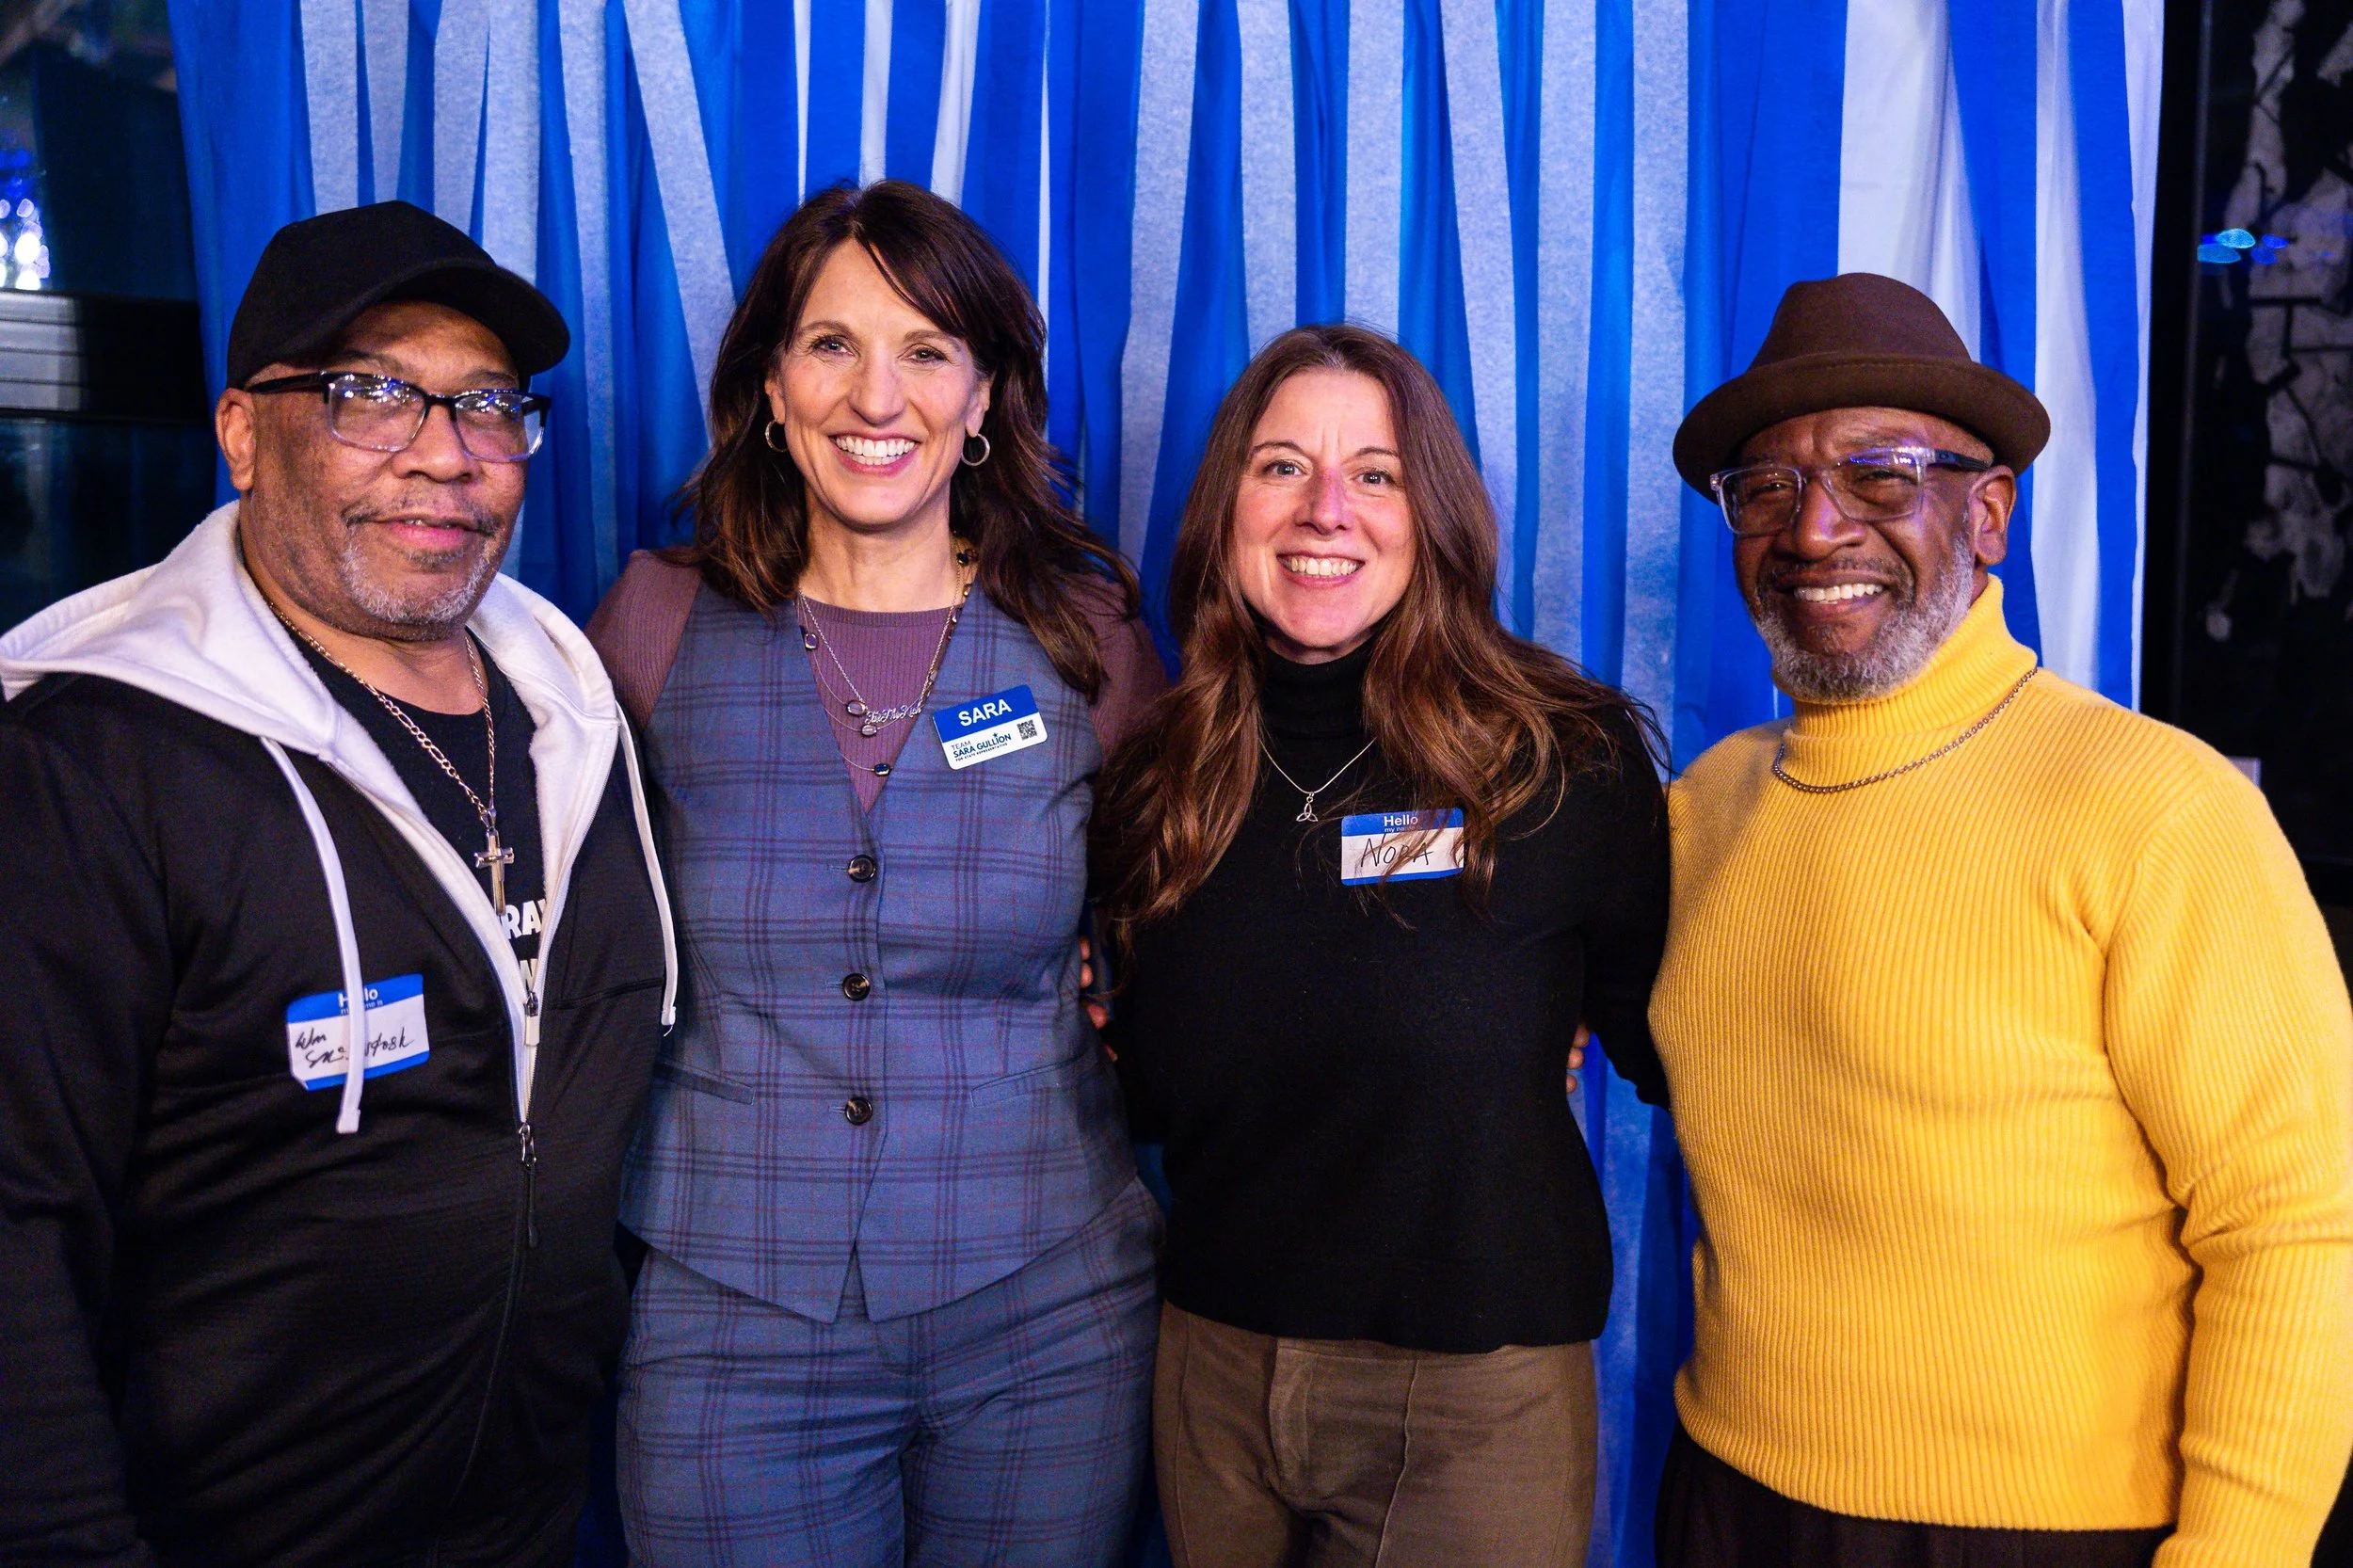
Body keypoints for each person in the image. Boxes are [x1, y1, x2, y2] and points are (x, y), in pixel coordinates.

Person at [0, 200, 675, 1564]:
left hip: (531, 1515)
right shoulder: (89, 762)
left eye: (487, 406)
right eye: (375, 396)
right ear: (244, 432)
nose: (447, 459)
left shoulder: (578, 713)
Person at [1649, 272, 2353, 1567]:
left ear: (1988, 514)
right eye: (1767, 486)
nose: (1815, 528)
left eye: (1881, 474)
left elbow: (2299, 1227)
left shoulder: (2157, 811)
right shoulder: (1706, 810)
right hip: (1729, 1498)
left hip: (2050, 1535)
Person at [585, 179, 1164, 1564]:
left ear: (982, 401)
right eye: (832, 344)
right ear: (772, 390)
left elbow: (1202, 908)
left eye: (925, 350)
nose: (876, 393)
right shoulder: (654, 624)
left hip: (1048, 1311)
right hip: (731, 1314)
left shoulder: (1090, 640)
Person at [1090, 324, 1670, 1568]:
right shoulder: (1155, 772)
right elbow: (1136, 1067)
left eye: (1377, 472)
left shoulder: (1564, 758)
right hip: (1212, 1368)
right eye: (1283, 465)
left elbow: (1670, 1036)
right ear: (1228, 504)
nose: (1326, 510)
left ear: (1435, 514)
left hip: (1471, 1392)